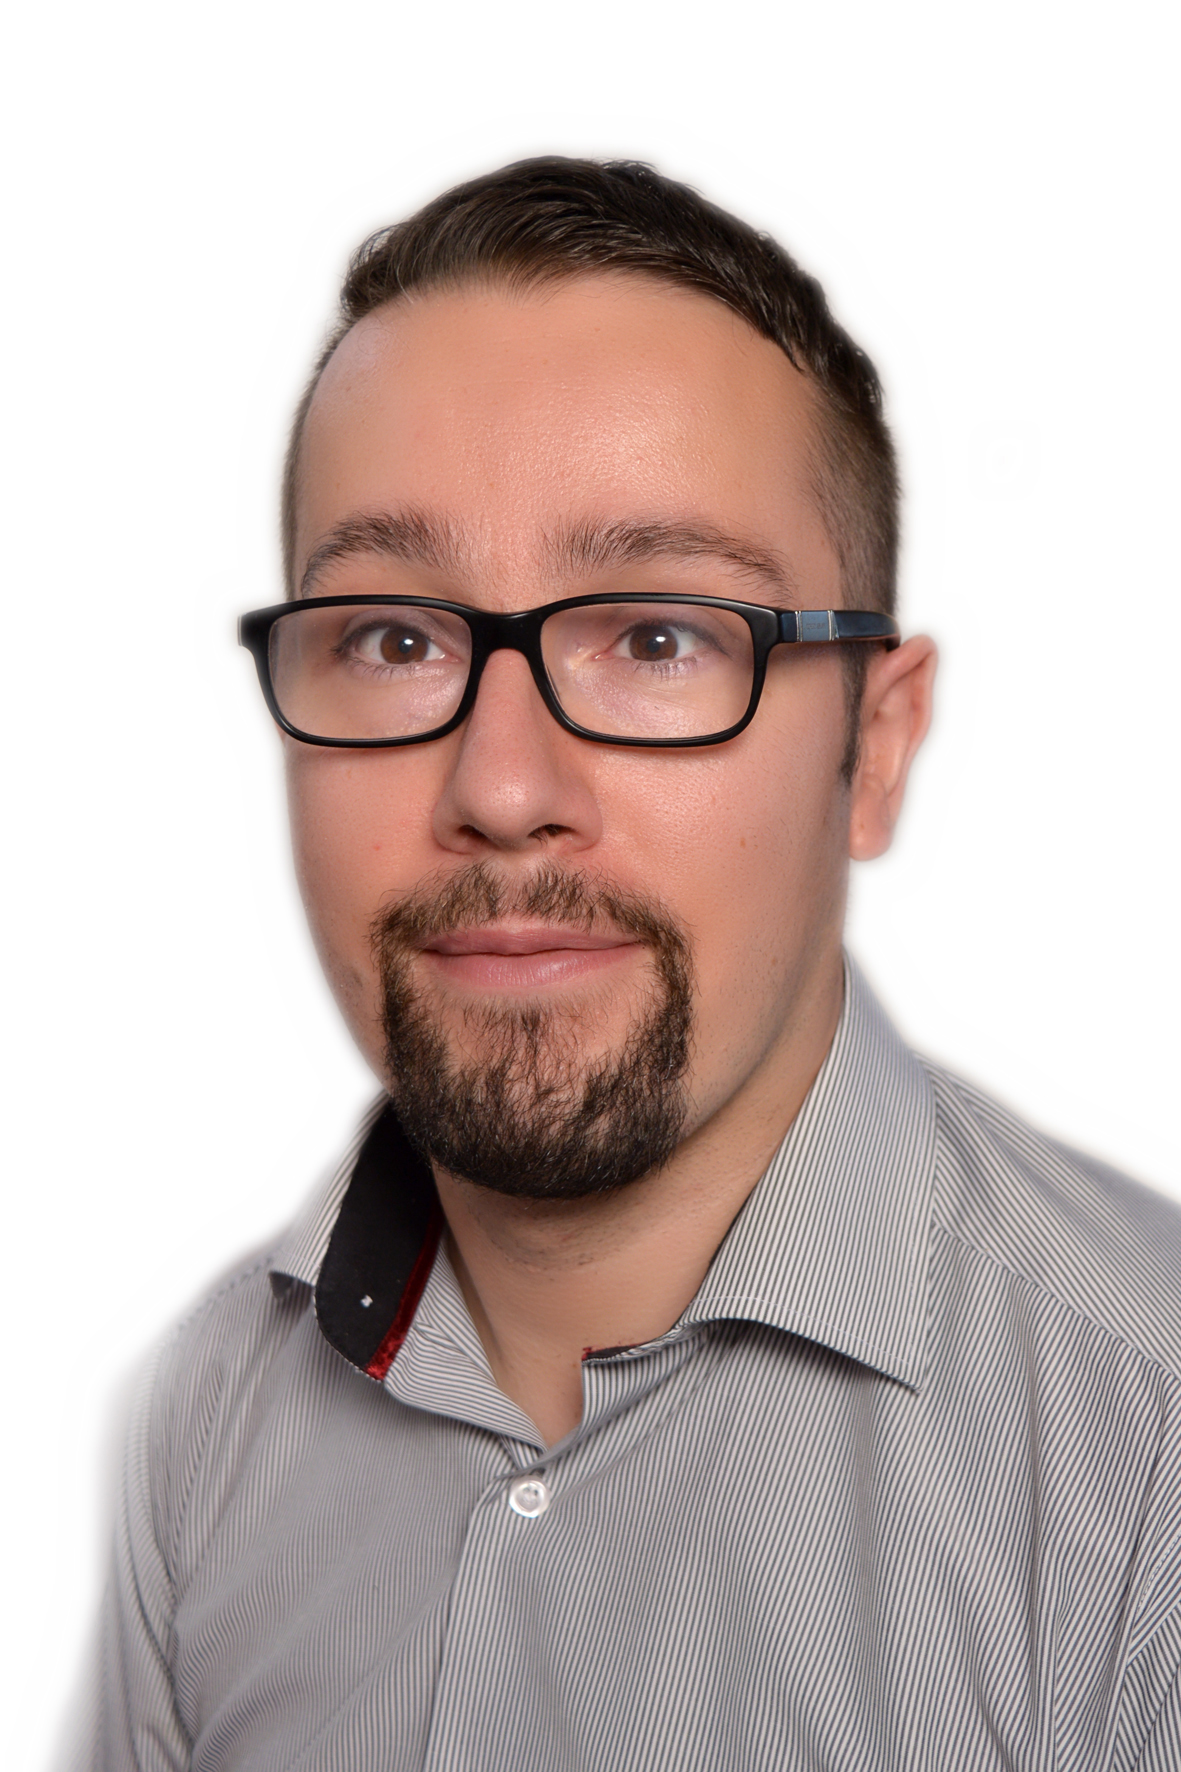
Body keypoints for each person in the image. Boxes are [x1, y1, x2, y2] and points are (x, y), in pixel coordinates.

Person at [78, 158, 1181, 1770]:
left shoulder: (1144, 1462)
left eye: (658, 638)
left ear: (872, 748)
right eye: (392, 640)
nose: (500, 786)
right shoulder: (205, 1421)